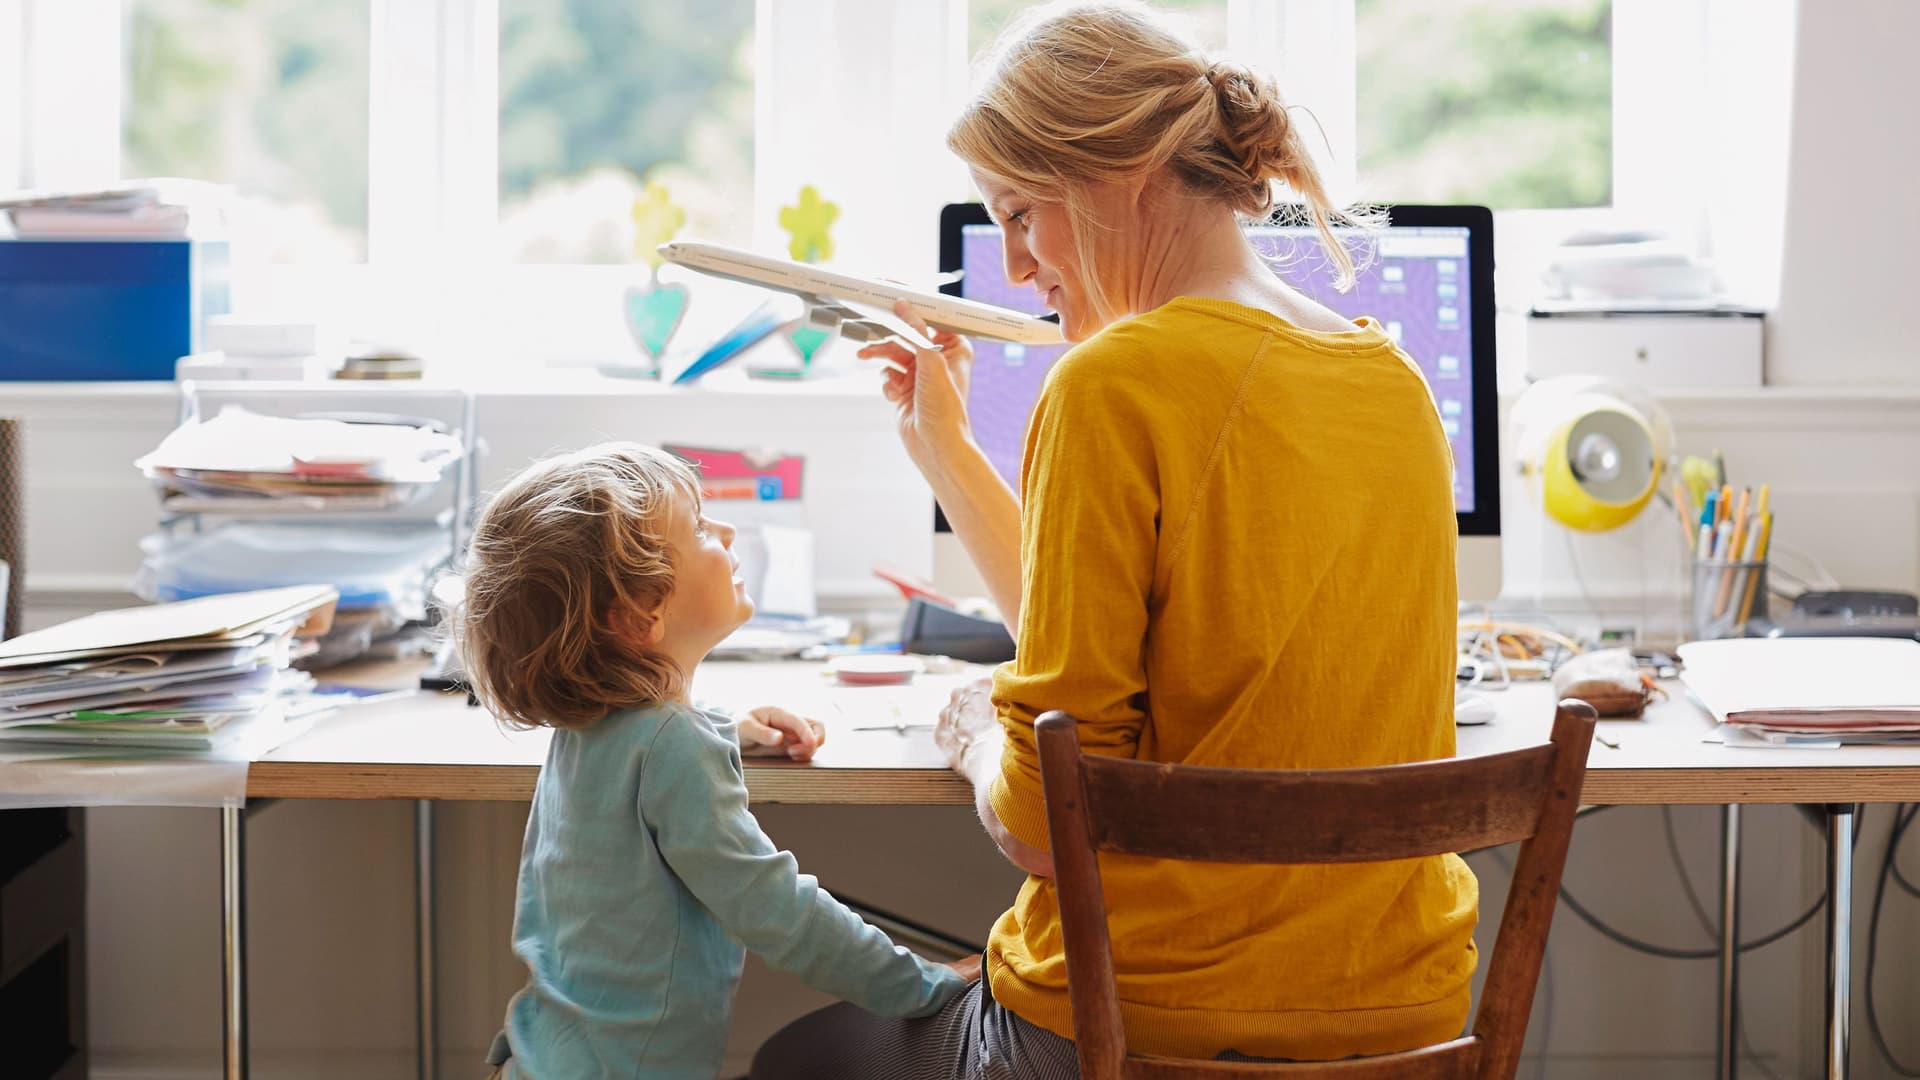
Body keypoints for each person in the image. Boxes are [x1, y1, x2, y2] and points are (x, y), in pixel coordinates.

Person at [751, 1, 1476, 1075]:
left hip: (1152, 1025)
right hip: (1403, 1019)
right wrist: (946, 450)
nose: (1014, 264)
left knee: (800, 1057)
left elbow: (1046, 825)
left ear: (1121, 175)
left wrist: (973, 738)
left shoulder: (1111, 383)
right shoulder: (1396, 381)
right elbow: (1114, 635)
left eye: (1020, 213)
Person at [456, 442, 977, 1080]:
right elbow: (776, 910)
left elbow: (642, 755)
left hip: (545, 1053)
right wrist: (923, 984)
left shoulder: (586, 727)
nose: (727, 531)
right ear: (638, 616)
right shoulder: (674, 745)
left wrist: (732, 728)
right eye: (700, 527)